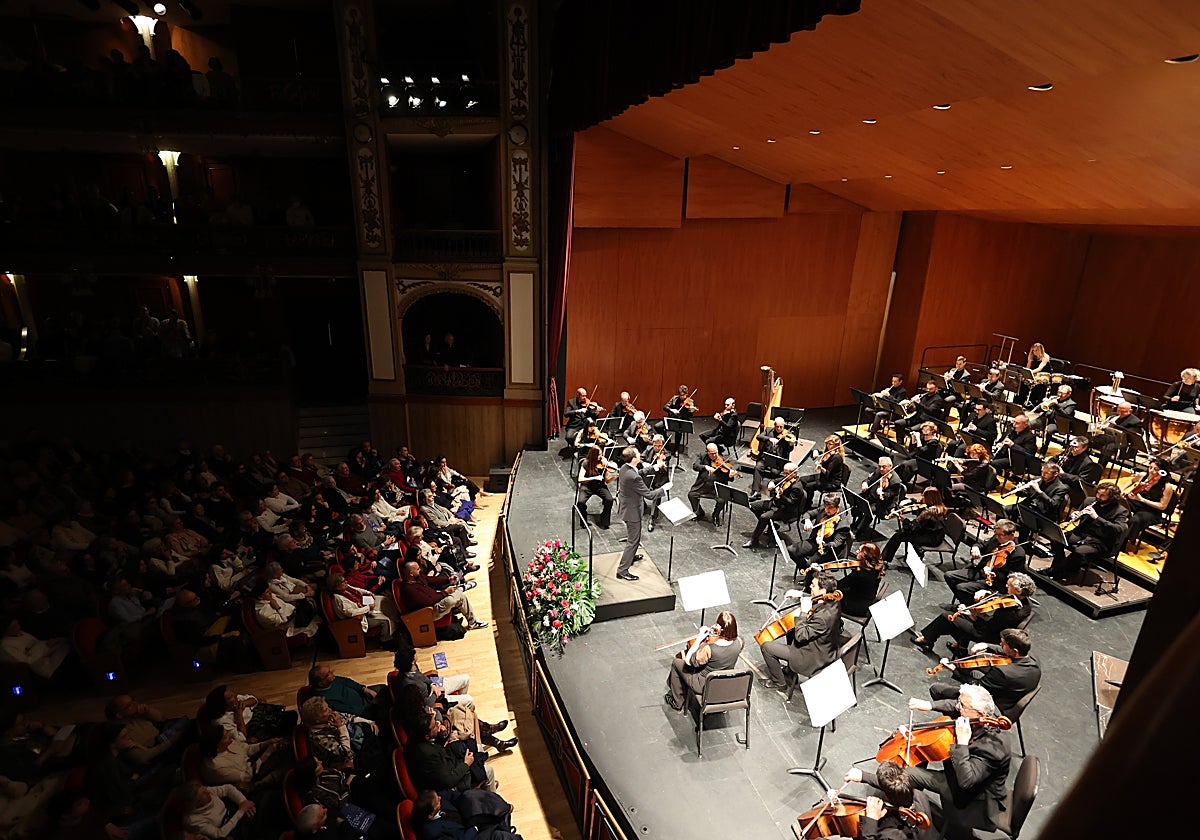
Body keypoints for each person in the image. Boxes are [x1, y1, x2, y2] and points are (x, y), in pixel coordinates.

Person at [902, 684, 1012, 840]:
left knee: (907, 773)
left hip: (970, 794)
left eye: (962, 705)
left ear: (978, 713)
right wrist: (929, 705)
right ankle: (914, 799)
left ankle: (908, 808)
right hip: (962, 772)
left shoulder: (992, 750)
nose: (957, 707)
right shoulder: (986, 712)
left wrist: (962, 743)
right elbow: (955, 705)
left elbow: (966, 781)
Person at [759, 572, 843, 693]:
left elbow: (800, 637)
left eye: (813, 586)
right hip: (823, 646)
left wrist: (803, 613)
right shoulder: (833, 601)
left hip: (812, 656)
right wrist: (801, 594)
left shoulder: (823, 618)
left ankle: (779, 682)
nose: (810, 586)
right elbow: (817, 599)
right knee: (791, 629)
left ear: (823, 590)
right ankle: (789, 671)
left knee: (767, 647)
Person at [913, 573, 1035, 655]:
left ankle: (927, 639)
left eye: (1009, 586)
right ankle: (960, 647)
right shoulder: (1022, 601)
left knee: (946, 617)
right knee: (958, 613)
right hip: (989, 626)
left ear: (1018, 590)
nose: (1006, 586)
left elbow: (990, 626)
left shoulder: (1014, 612)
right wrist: (988, 593)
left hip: (988, 634)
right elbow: (1001, 597)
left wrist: (971, 615)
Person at [927, 628, 1041, 712]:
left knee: (936, 689)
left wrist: (953, 669)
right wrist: (986, 645)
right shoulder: (1033, 659)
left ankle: (956, 720)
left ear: (1015, 650)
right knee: (973, 671)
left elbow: (977, 687)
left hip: (993, 704)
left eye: (1003, 644)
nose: (1000, 645)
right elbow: (1004, 651)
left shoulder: (1003, 672)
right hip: (1010, 694)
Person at [1047, 481, 1130, 581]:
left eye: (1103, 495)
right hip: (1082, 534)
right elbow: (1076, 516)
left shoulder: (1120, 511)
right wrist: (1074, 516)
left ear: (1112, 497)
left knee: (1079, 551)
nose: (1098, 497)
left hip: (1101, 541)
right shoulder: (1089, 501)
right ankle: (1059, 568)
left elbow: (1119, 529)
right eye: (1098, 493)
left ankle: (1063, 572)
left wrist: (1097, 518)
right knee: (1056, 538)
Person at [664, 610, 743, 711]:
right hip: (725, 682)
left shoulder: (709, 648)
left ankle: (677, 702)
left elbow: (689, 661)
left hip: (705, 684)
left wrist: (700, 638)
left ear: (719, 629)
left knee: (677, 663)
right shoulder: (740, 642)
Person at [843, 761, 936, 840]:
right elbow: (896, 785)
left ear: (887, 794)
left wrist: (871, 820)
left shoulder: (890, 835)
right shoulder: (920, 796)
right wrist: (864, 776)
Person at [615, 446, 669, 581]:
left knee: (634, 538)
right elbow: (650, 495)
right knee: (633, 540)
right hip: (632, 512)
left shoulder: (624, 468)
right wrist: (664, 489)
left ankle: (631, 556)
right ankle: (622, 570)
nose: (640, 455)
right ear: (634, 459)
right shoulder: (633, 478)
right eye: (638, 454)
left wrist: (655, 467)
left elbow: (638, 471)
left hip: (627, 507)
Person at [944, 519, 1024, 605]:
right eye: (996, 534)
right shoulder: (996, 538)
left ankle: (971, 608)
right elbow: (982, 545)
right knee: (949, 576)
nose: (997, 537)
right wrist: (975, 548)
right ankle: (967, 603)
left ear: (1012, 535)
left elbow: (1010, 578)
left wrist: (994, 574)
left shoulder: (1018, 554)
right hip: (980, 572)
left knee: (961, 588)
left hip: (993, 582)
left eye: (1000, 535)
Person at [398, 561, 488, 630]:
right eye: (417, 569)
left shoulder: (418, 578)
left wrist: (448, 579)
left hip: (436, 601)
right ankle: (473, 622)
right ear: (411, 573)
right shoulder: (408, 589)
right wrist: (445, 592)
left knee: (457, 594)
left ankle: (472, 621)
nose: (420, 570)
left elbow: (431, 580)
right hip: (428, 612)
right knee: (457, 596)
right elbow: (428, 602)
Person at [411, 787, 521, 840]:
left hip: (466, 820)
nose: (440, 798)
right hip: (470, 836)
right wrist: (475, 828)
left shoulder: (436, 798)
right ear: (430, 814)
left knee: (494, 812)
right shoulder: (433, 833)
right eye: (437, 802)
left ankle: (505, 827)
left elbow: (452, 795)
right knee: (501, 837)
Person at [744, 462, 807, 549]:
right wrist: (771, 483)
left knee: (763, 517)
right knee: (752, 506)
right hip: (775, 503)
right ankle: (770, 526)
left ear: (794, 474)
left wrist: (781, 495)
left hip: (785, 510)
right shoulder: (786, 479)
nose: (784, 475)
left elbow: (790, 503)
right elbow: (775, 480)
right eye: (784, 472)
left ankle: (754, 540)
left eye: (787, 473)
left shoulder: (796, 487)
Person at [785, 493, 852, 573]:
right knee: (792, 550)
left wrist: (823, 544)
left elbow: (836, 544)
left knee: (811, 563)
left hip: (829, 550)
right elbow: (808, 514)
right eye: (826, 507)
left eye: (830, 508)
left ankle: (810, 578)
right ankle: (805, 570)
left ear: (837, 507)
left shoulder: (843, 524)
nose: (827, 510)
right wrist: (807, 520)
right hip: (816, 541)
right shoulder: (824, 509)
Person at [880, 488, 947, 567]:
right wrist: (909, 501)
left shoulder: (928, 512)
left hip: (931, 538)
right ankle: (917, 551)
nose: (922, 498)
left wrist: (900, 518)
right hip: (936, 535)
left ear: (929, 498)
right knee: (903, 533)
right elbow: (918, 503)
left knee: (899, 535)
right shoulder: (939, 507)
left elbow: (912, 527)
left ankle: (883, 559)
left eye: (924, 497)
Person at [1123, 460, 1174, 553]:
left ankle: (1125, 542)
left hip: (1152, 511)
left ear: (1162, 471)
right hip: (1137, 503)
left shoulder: (1167, 486)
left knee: (1136, 520)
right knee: (1121, 506)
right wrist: (1122, 490)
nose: (1151, 471)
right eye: (1150, 467)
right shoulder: (1143, 475)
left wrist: (1142, 500)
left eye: (1155, 469)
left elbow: (1162, 506)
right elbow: (1132, 480)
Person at [825, 542, 886, 617]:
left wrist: (824, 575)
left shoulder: (860, 574)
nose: (856, 551)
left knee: (826, 596)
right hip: (865, 601)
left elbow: (839, 585)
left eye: (859, 551)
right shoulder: (876, 569)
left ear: (865, 557)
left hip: (855, 607)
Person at [180, 780, 256, 838]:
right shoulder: (193, 820)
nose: (208, 792)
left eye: (205, 789)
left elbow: (228, 788)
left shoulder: (206, 791)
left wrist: (243, 801)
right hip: (229, 829)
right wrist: (241, 811)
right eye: (204, 793)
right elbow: (219, 834)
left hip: (232, 810)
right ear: (196, 802)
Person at [1003, 463, 1068, 527]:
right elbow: (1027, 495)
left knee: (1025, 521)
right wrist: (1020, 490)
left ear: (1055, 474)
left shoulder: (1061, 488)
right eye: (1042, 471)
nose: (1043, 475)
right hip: (1027, 506)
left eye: (1046, 473)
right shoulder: (1037, 479)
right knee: (1003, 510)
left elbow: (1053, 505)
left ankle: (1022, 537)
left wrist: (1039, 492)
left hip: (1042, 512)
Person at [1093, 401, 1145, 474]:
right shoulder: (1112, 415)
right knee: (1090, 440)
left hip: (1124, 445)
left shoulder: (1135, 422)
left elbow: (1129, 436)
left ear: (1130, 411)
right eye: (1118, 410)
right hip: (1109, 438)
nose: (1119, 412)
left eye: (1123, 411)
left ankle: (1098, 471)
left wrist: (1115, 426)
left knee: (1108, 448)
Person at [687, 443, 733, 525]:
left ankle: (715, 515)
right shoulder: (703, 456)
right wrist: (705, 467)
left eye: (716, 452)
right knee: (691, 495)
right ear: (707, 452)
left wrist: (730, 475)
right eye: (712, 454)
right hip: (702, 486)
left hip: (716, 488)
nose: (715, 455)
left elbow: (730, 479)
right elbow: (695, 466)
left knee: (722, 500)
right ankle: (699, 512)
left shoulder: (723, 460)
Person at [751, 416, 794, 494]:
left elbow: (789, 450)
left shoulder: (787, 435)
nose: (779, 429)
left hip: (778, 461)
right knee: (758, 467)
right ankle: (756, 491)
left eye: (781, 427)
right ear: (774, 425)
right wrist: (769, 439)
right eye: (777, 426)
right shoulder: (768, 430)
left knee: (776, 472)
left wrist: (791, 444)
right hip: (765, 458)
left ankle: (775, 490)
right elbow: (759, 437)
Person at [1030, 384, 1077, 456]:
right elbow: (1039, 410)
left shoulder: (1071, 404)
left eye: (1062, 393)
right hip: (1046, 419)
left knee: (1048, 430)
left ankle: (1043, 451)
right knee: (1030, 424)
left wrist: (1056, 405)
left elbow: (1065, 415)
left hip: (1058, 423)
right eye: (1059, 392)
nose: (1059, 395)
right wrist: (1043, 404)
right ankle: (1030, 446)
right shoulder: (1053, 398)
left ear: (1069, 394)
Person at [575, 445, 615, 529]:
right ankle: (584, 521)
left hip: (599, 486)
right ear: (593, 455)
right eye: (599, 455)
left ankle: (604, 520)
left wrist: (615, 477)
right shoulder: (586, 463)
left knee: (609, 500)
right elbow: (580, 479)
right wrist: (595, 477)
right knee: (580, 503)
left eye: (601, 454)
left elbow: (607, 480)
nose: (601, 456)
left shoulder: (603, 464)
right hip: (587, 486)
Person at [894, 421, 944, 486]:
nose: (925, 431)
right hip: (917, 456)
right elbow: (914, 448)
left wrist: (918, 439)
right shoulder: (923, 437)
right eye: (923, 429)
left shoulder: (934, 442)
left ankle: (902, 482)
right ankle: (895, 477)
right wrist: (913, 439)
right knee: (896, 456)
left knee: (906, 465)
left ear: (932, 431)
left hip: (924, 461)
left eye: (927, 430)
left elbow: (922, 450)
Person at [862, 456, 907, 522]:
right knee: (856, 501)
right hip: (872, 498)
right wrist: (865, 483)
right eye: (879, 466)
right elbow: (869, 479)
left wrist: (882, 494)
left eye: (884, 467)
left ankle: (859, 530)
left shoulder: (895, 481)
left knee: (868, 511)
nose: (881, 469)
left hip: (884, 506)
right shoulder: (878, 471)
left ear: (890, 466)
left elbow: (889, 495)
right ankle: (855, 525)